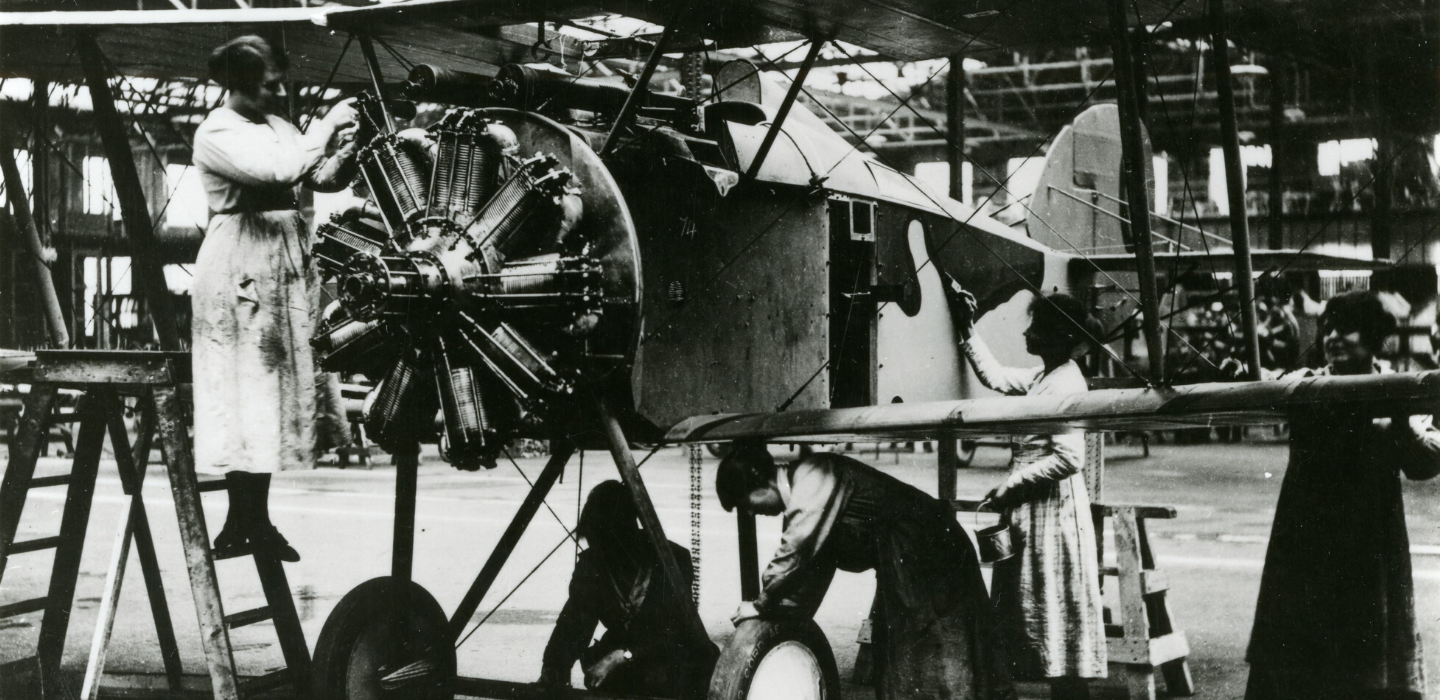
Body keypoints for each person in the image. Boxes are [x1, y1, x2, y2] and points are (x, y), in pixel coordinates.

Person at [191, 35, 359, 560]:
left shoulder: (279, 128)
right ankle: (242, 520)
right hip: (241, 263)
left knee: (270, 395)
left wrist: (349, 151)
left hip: (279, 261)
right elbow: (277, 171)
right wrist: (326, 127)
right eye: (267, 84)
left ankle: (251, 520)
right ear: (239, 84)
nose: (277, 91)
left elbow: (314, 174)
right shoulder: (216, 130)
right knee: (247, 389)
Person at [1245, 291, 1439, 700]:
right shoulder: (1305, 385)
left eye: (1344, 328)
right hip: (1305, 532)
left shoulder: (1398, 386)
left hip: (1367, 536)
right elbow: (1262, 390)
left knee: (1363, 651)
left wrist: (1401, 422)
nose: (1332, 336)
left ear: (1371, 336)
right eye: (1327, 327)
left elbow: (1424, 464)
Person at [716, 443, 1010, 700]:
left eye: (747, 505)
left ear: (760, 481)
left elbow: (796, 551)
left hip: (932, 552)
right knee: (903, 654)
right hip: (908, 559)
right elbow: (809, 572)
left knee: (935, 651)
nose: (753, 513)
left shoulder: (813, 478)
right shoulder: (803, 499)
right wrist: (783, 617)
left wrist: (760, 604)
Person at [946, 281, 1107, 700]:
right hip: (1034, 512)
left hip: (1051, 513)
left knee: (1056, 616)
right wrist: (967, 327)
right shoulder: (1045, 376)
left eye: (1034, 328)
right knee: (1043, 612)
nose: (1025, 335)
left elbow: (1069, 457)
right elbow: (996, 376)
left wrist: (1011, 486)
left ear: (1058, 338)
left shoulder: (1064, 385)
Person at [539, 481, 719, 698]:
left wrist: (623, 656)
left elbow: (677, 630)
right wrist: (554, 667)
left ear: (626, 532)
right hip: (625, 661)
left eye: (605, 541)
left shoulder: (672, 559)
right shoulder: (593, 563)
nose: (599, 548)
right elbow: (575, 621)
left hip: (671, 659)